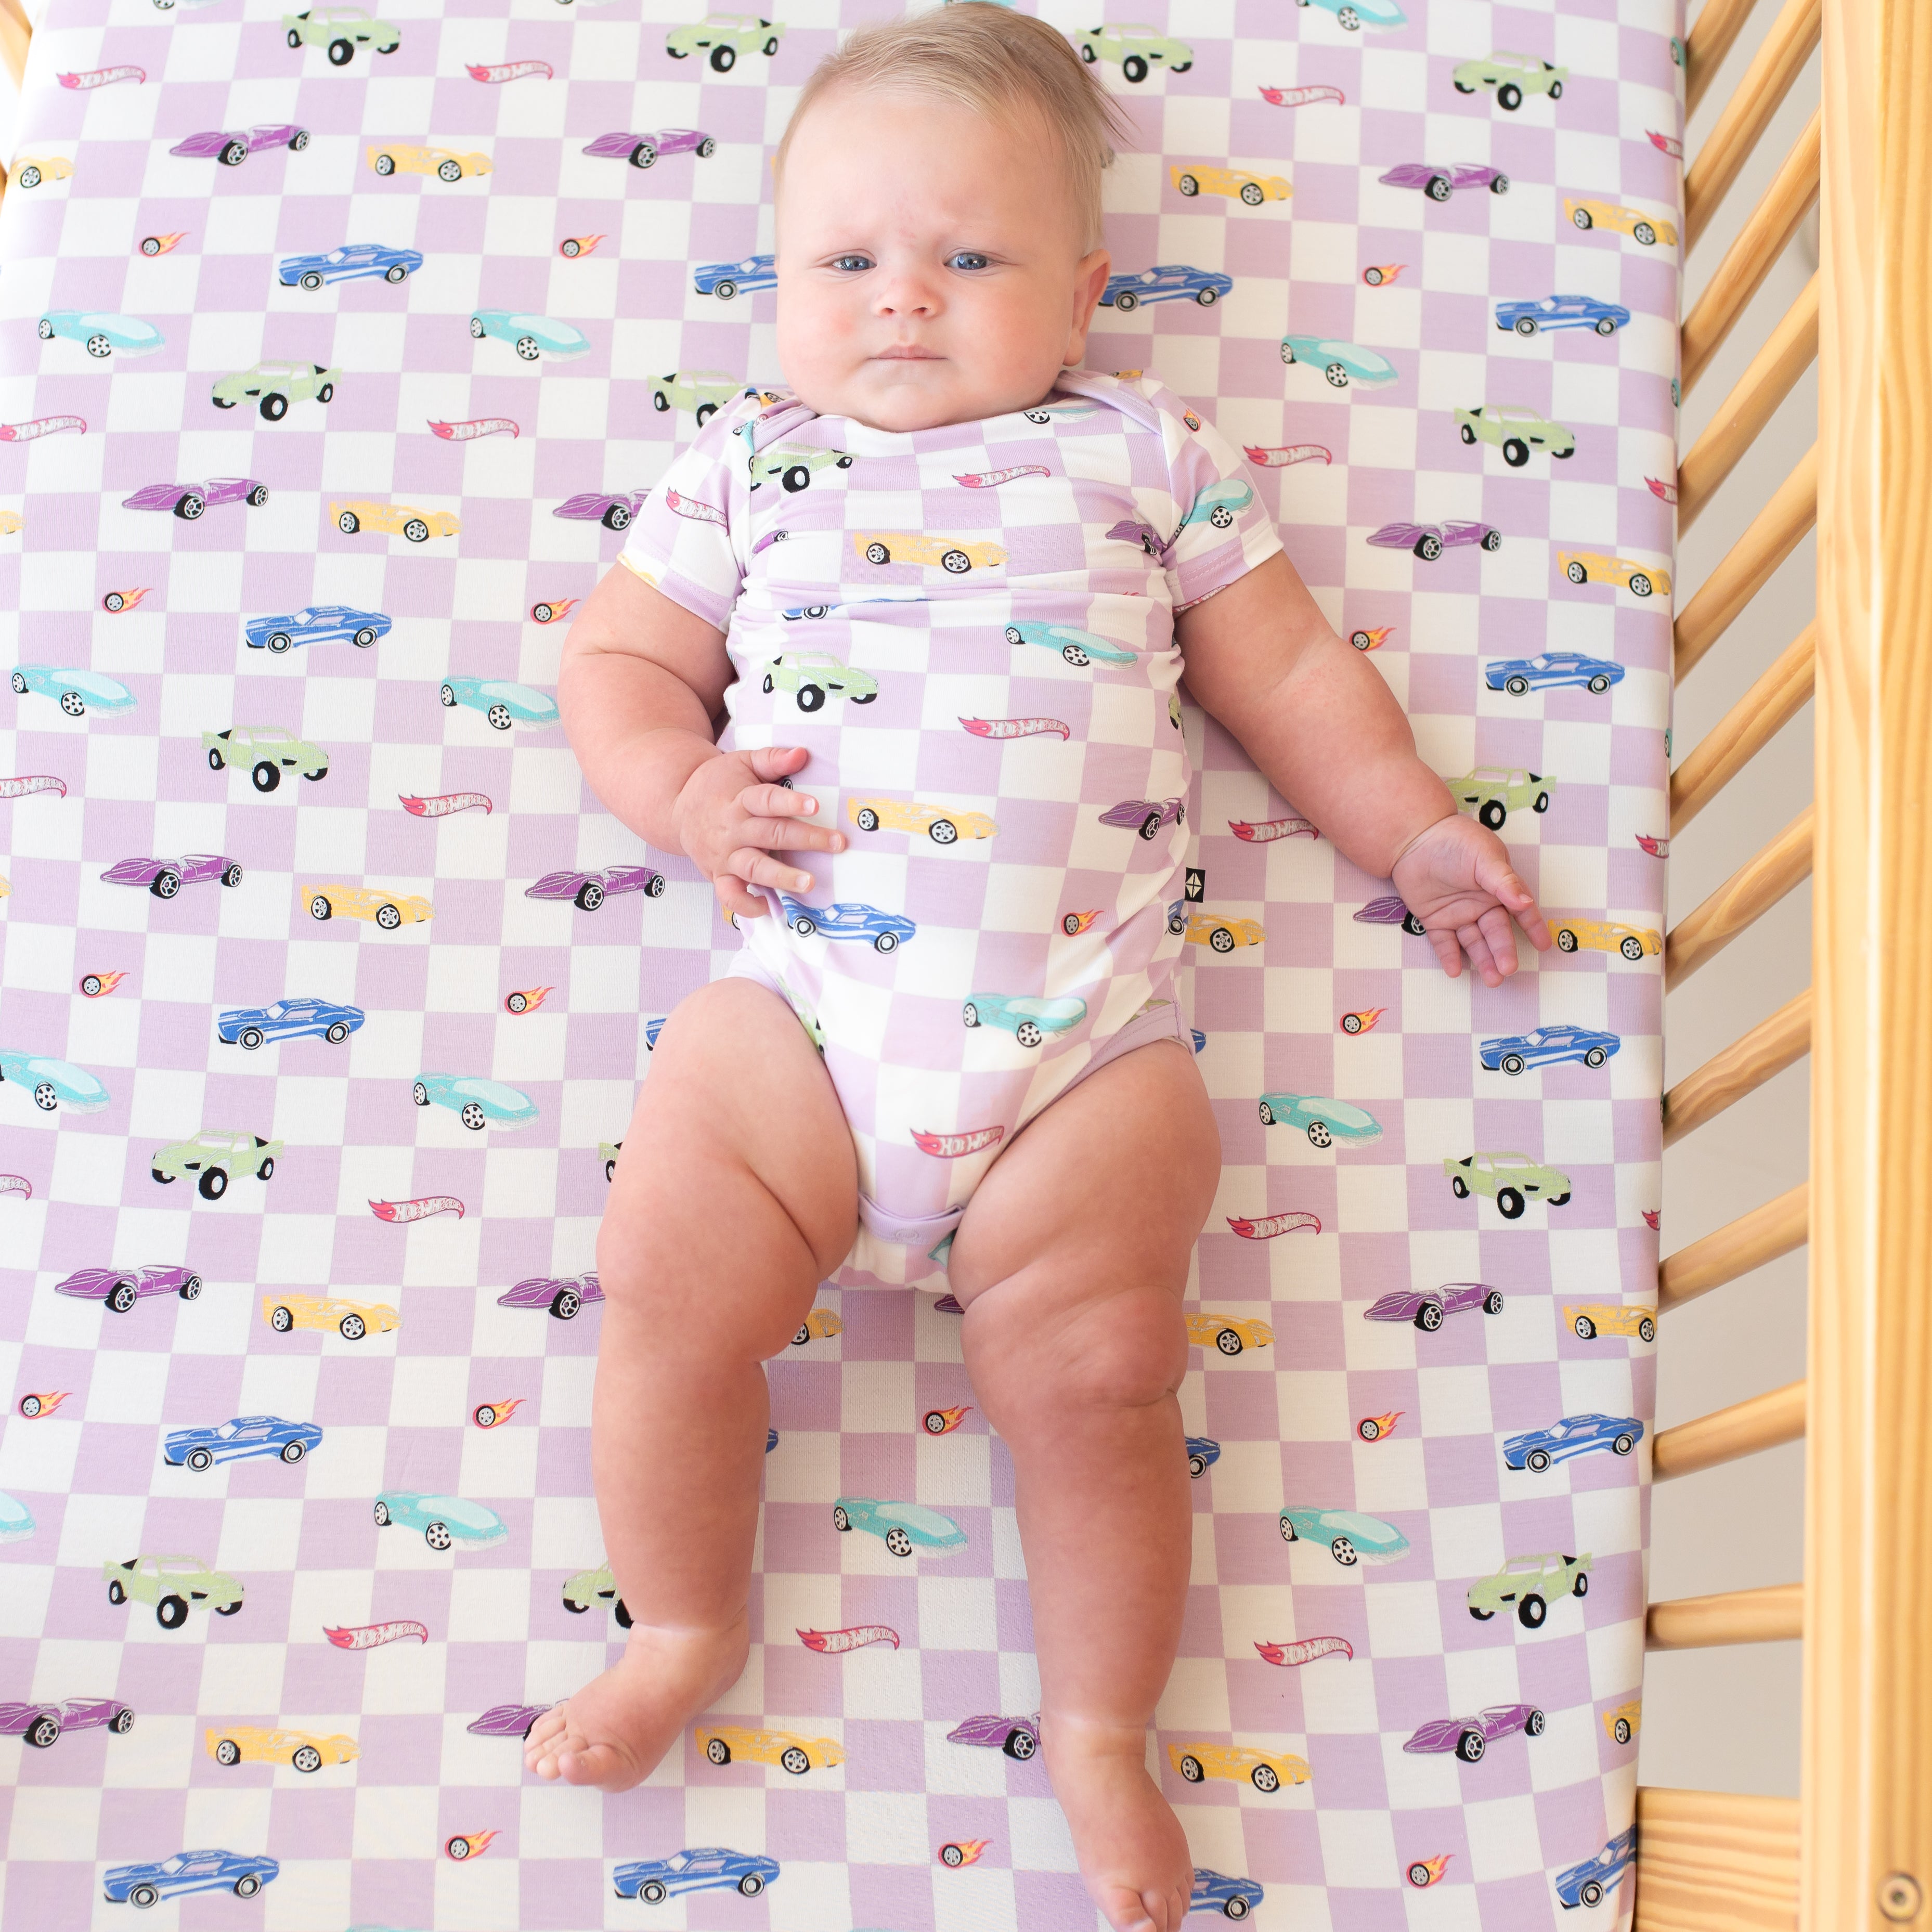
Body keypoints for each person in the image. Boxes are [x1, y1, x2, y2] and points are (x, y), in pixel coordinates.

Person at [531, 9, 1550, 1928]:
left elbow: (1293, 679)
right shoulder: (748, 464)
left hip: (1086, 1041)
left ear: (1084, 291)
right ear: (773, 283)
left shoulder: (1145, 452)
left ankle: (1097, 1725)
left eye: (967, 258)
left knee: (1098, 1372)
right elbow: (611, 669)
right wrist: (678, 796)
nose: (899, 300)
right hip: (807, 1016)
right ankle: (678, 1618)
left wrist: (1408, 829)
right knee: (663, 1286)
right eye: (844, 262)